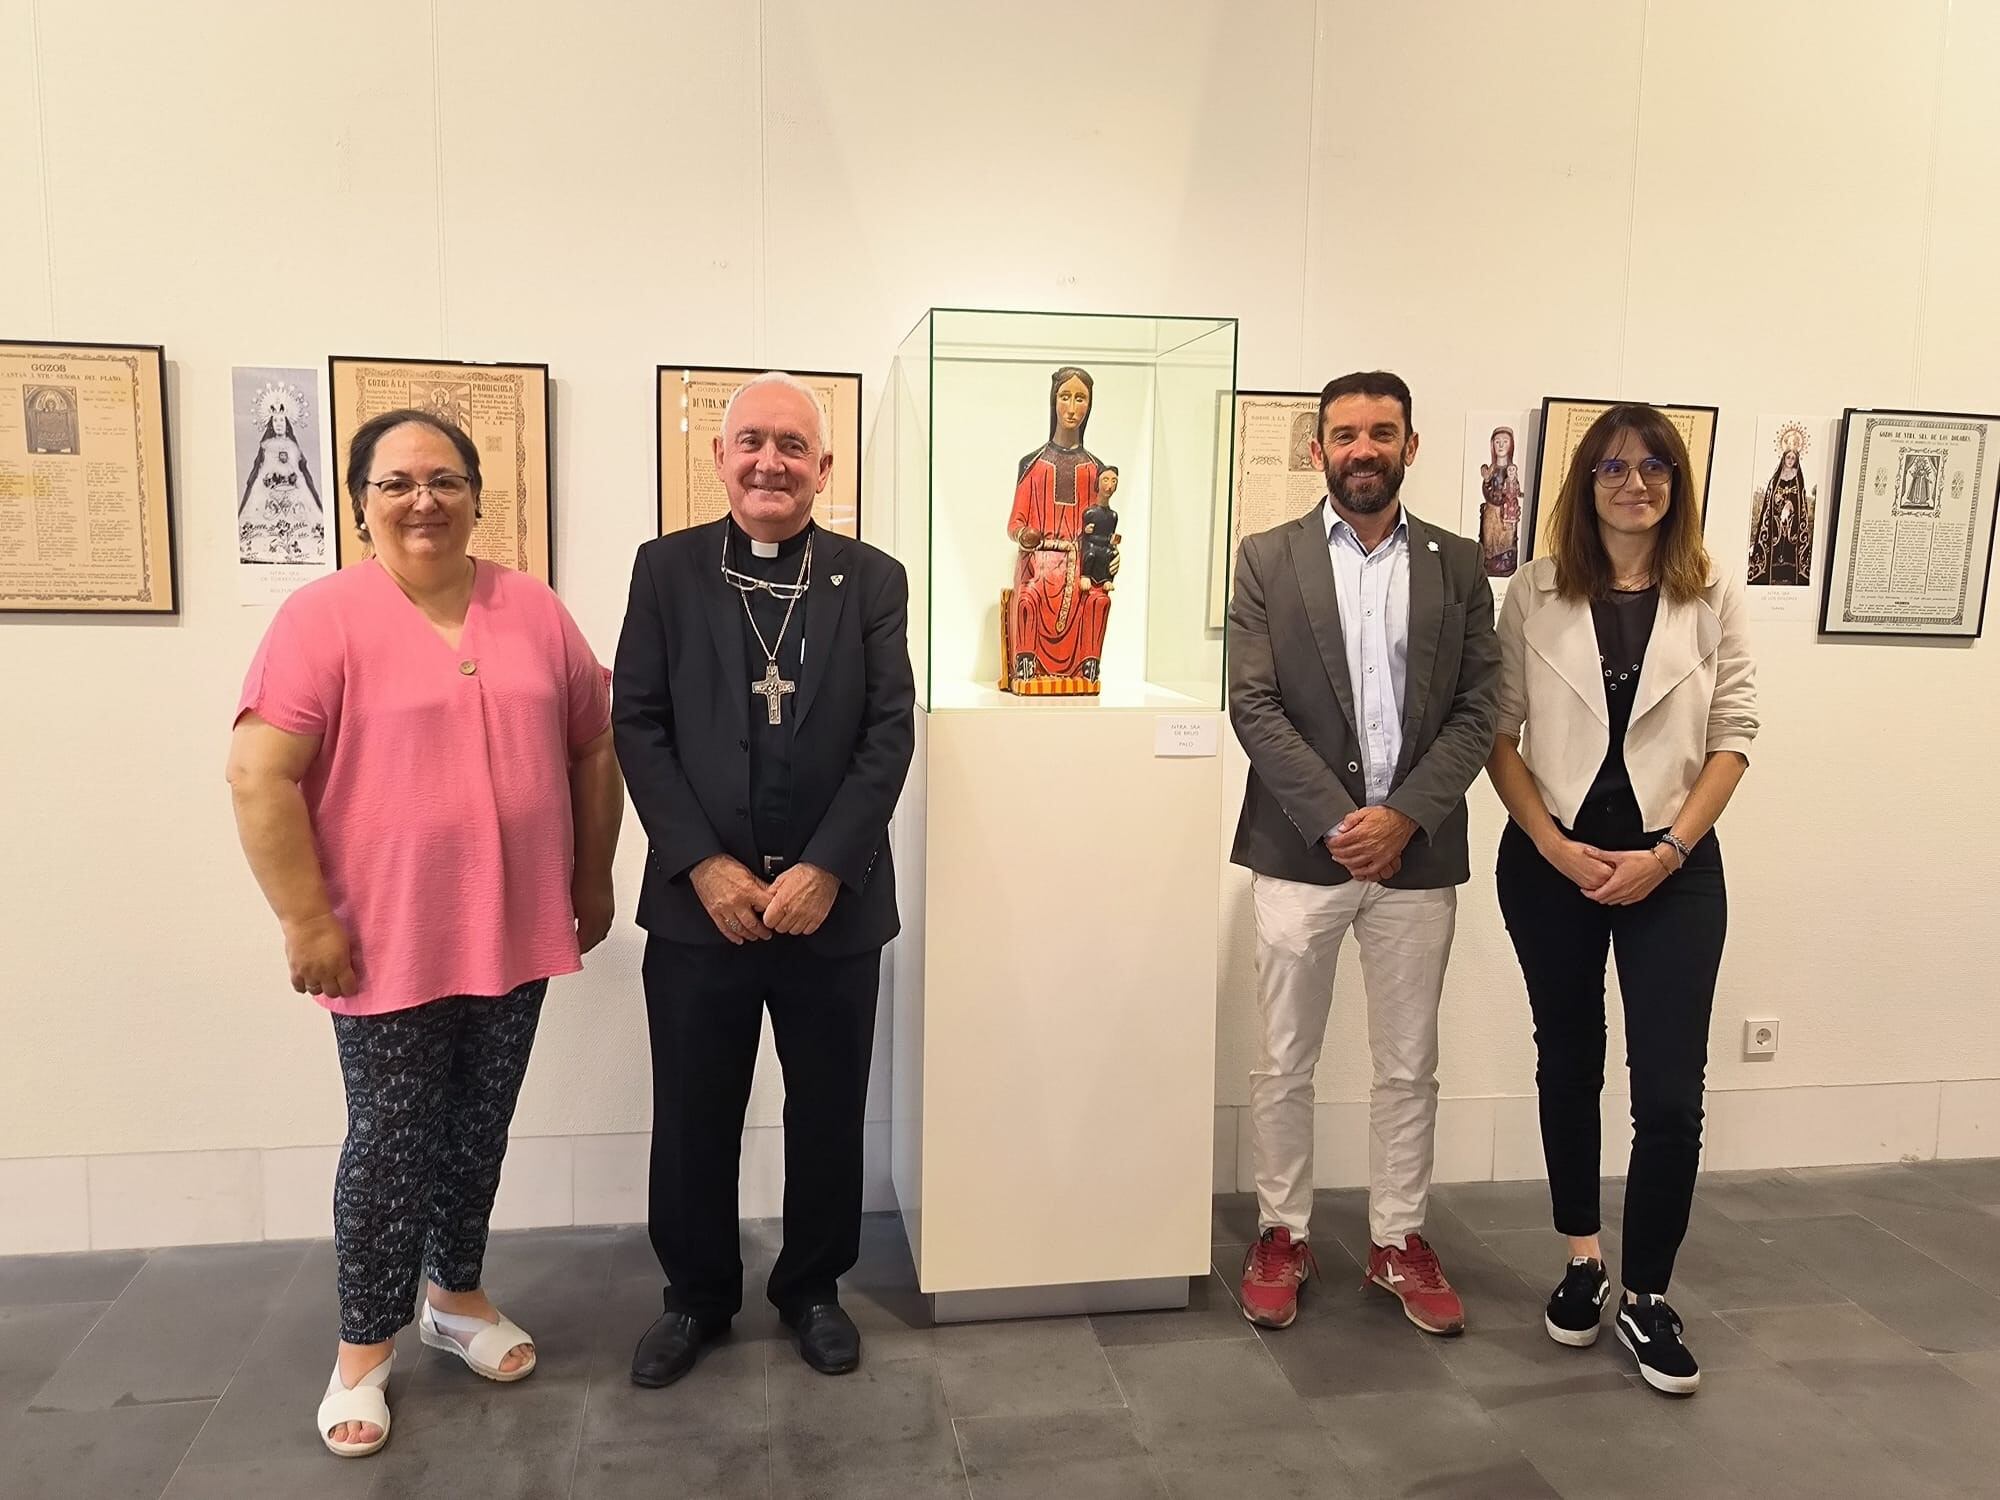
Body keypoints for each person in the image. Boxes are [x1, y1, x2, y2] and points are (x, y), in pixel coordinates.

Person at [226, 409, 623, 1457]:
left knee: (476, 1128)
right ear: (361, 503)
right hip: (382, 936)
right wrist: (304, 917)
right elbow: (259, 774)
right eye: (397, 482)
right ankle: (363, 1349)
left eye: (444, 481)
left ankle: (456, 1298)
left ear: (477, 498)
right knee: (392, 1141)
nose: (423, 501)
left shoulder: (532, 610)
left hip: (515, 924)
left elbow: (593, 742)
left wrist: (591, 870)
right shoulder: (323, 621)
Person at [615, 371, 915, 1389]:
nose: (769, 462)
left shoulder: (872, 580)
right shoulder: (664, 572)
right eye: (750, 442)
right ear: (718, 458)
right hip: (703, 911)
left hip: (832, 911)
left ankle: (812, 1289)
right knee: (694, 1110)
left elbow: (886, 736)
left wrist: (828, 867)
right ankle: (694, 1297)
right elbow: (638, 725)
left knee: (825, 1109)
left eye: (792, 445)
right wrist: (702, 864)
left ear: (823, 468)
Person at [1485, 403, 1756, 1395]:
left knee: (1670, 1096)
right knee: (1569, 1061)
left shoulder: (1710, 588)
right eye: (1610, 467)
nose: (1632, 482)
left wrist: (1669, 848)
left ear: (1675, 482)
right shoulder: (1536, 590)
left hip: (1671, 870)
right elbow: (1499, 734)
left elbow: (1733, 733)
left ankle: (1644, 1294)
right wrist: (1553, 847)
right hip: (1552, 864)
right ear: (1583, 482)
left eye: (1651, 466)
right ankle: (1580, 1263)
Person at [1228, 371, 1500, 1336]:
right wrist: (1345, 820)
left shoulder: (1460, 564)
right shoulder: (1268, 557)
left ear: (1411, 446)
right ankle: (1282, 1232)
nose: (1362, 449)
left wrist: (1405, 818)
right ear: (1319, 452)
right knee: (1282, 1060)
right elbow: (1252, 705)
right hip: (1301, 853)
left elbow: (1480, 710)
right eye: (1345, 434)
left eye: (1382, 432)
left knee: (1407, 1063)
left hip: (1417, 860)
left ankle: (1397, 1239)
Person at [1004, 365, 1120, 689]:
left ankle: (1087, 669)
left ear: (1090, 405)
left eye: (1080, 398)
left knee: (1099, 600)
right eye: (1065, 397)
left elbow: (1102, 529)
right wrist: (1025, 536)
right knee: (1029, 595)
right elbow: (1015, 522)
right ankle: (1027, 667)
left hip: (1080, 566)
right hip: (1038, 565)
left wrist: (1111, 558)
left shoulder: (1096, 469)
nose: (1071, 408)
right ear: (1053, 401)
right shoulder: (1033, 463)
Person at [1747, 443, 1810, 586]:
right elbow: (1770, 498)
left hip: (1792, 520)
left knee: (1789, 543)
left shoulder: (1798, 478)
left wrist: (1790, 505)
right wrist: (1777, 502)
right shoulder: (1776, 478)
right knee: (1775, 544)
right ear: (1784, 458)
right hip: (1776, 519)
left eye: (1793, 458)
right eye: (1788, 457)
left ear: (1796, 460)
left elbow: (1800, 499)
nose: (1790, 460)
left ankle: (1789, 574)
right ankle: (1772, 573)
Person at [1479, 425, 1523, 577]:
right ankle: (1490, 561)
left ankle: (1505, 561)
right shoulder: (1491, 470)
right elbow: (1486, 489)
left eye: (1505, 441)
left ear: (1511, 445)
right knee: (1489, 535)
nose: (1501, 445)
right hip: (1492, 509)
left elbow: (1514, 490)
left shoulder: (1512, 472)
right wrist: (1487, 485)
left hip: (1506, 510)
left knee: (1506, 536)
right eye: (1497, 442)